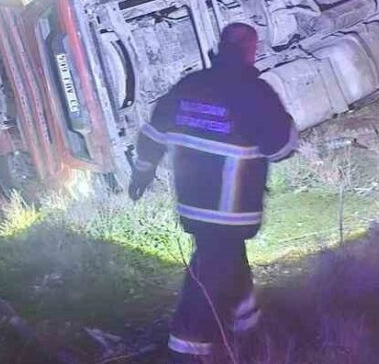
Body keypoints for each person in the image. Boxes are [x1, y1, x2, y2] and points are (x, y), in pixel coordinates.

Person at [128, 23, 299, 361]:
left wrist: (142, 174)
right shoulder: (255, 92)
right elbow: (281, 147)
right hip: (231, 209)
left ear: (219, 48)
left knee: (227, 258)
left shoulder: (189, 85)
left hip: (193, 205)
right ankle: (187, 347)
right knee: (209, 274)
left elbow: (154, 134)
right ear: (251, 51)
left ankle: (248, 328)